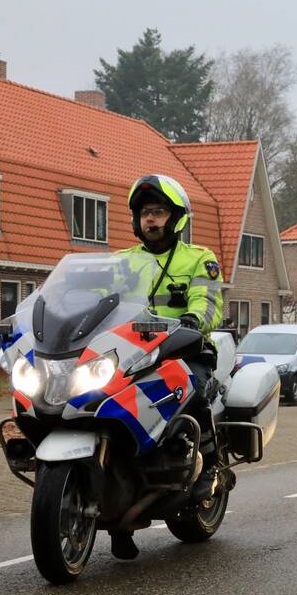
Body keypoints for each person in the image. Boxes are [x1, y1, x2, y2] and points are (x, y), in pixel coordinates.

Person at [111, 174, 224, 559]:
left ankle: (208, 465)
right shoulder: (120, 261)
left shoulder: (199, 258)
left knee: (192, 387)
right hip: (128, 353)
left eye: (158, 212)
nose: (151, 220)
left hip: (184, 348)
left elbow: (207, 301)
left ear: (175, 218)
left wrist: (193, 321)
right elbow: (86, 300)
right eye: (145, 213)